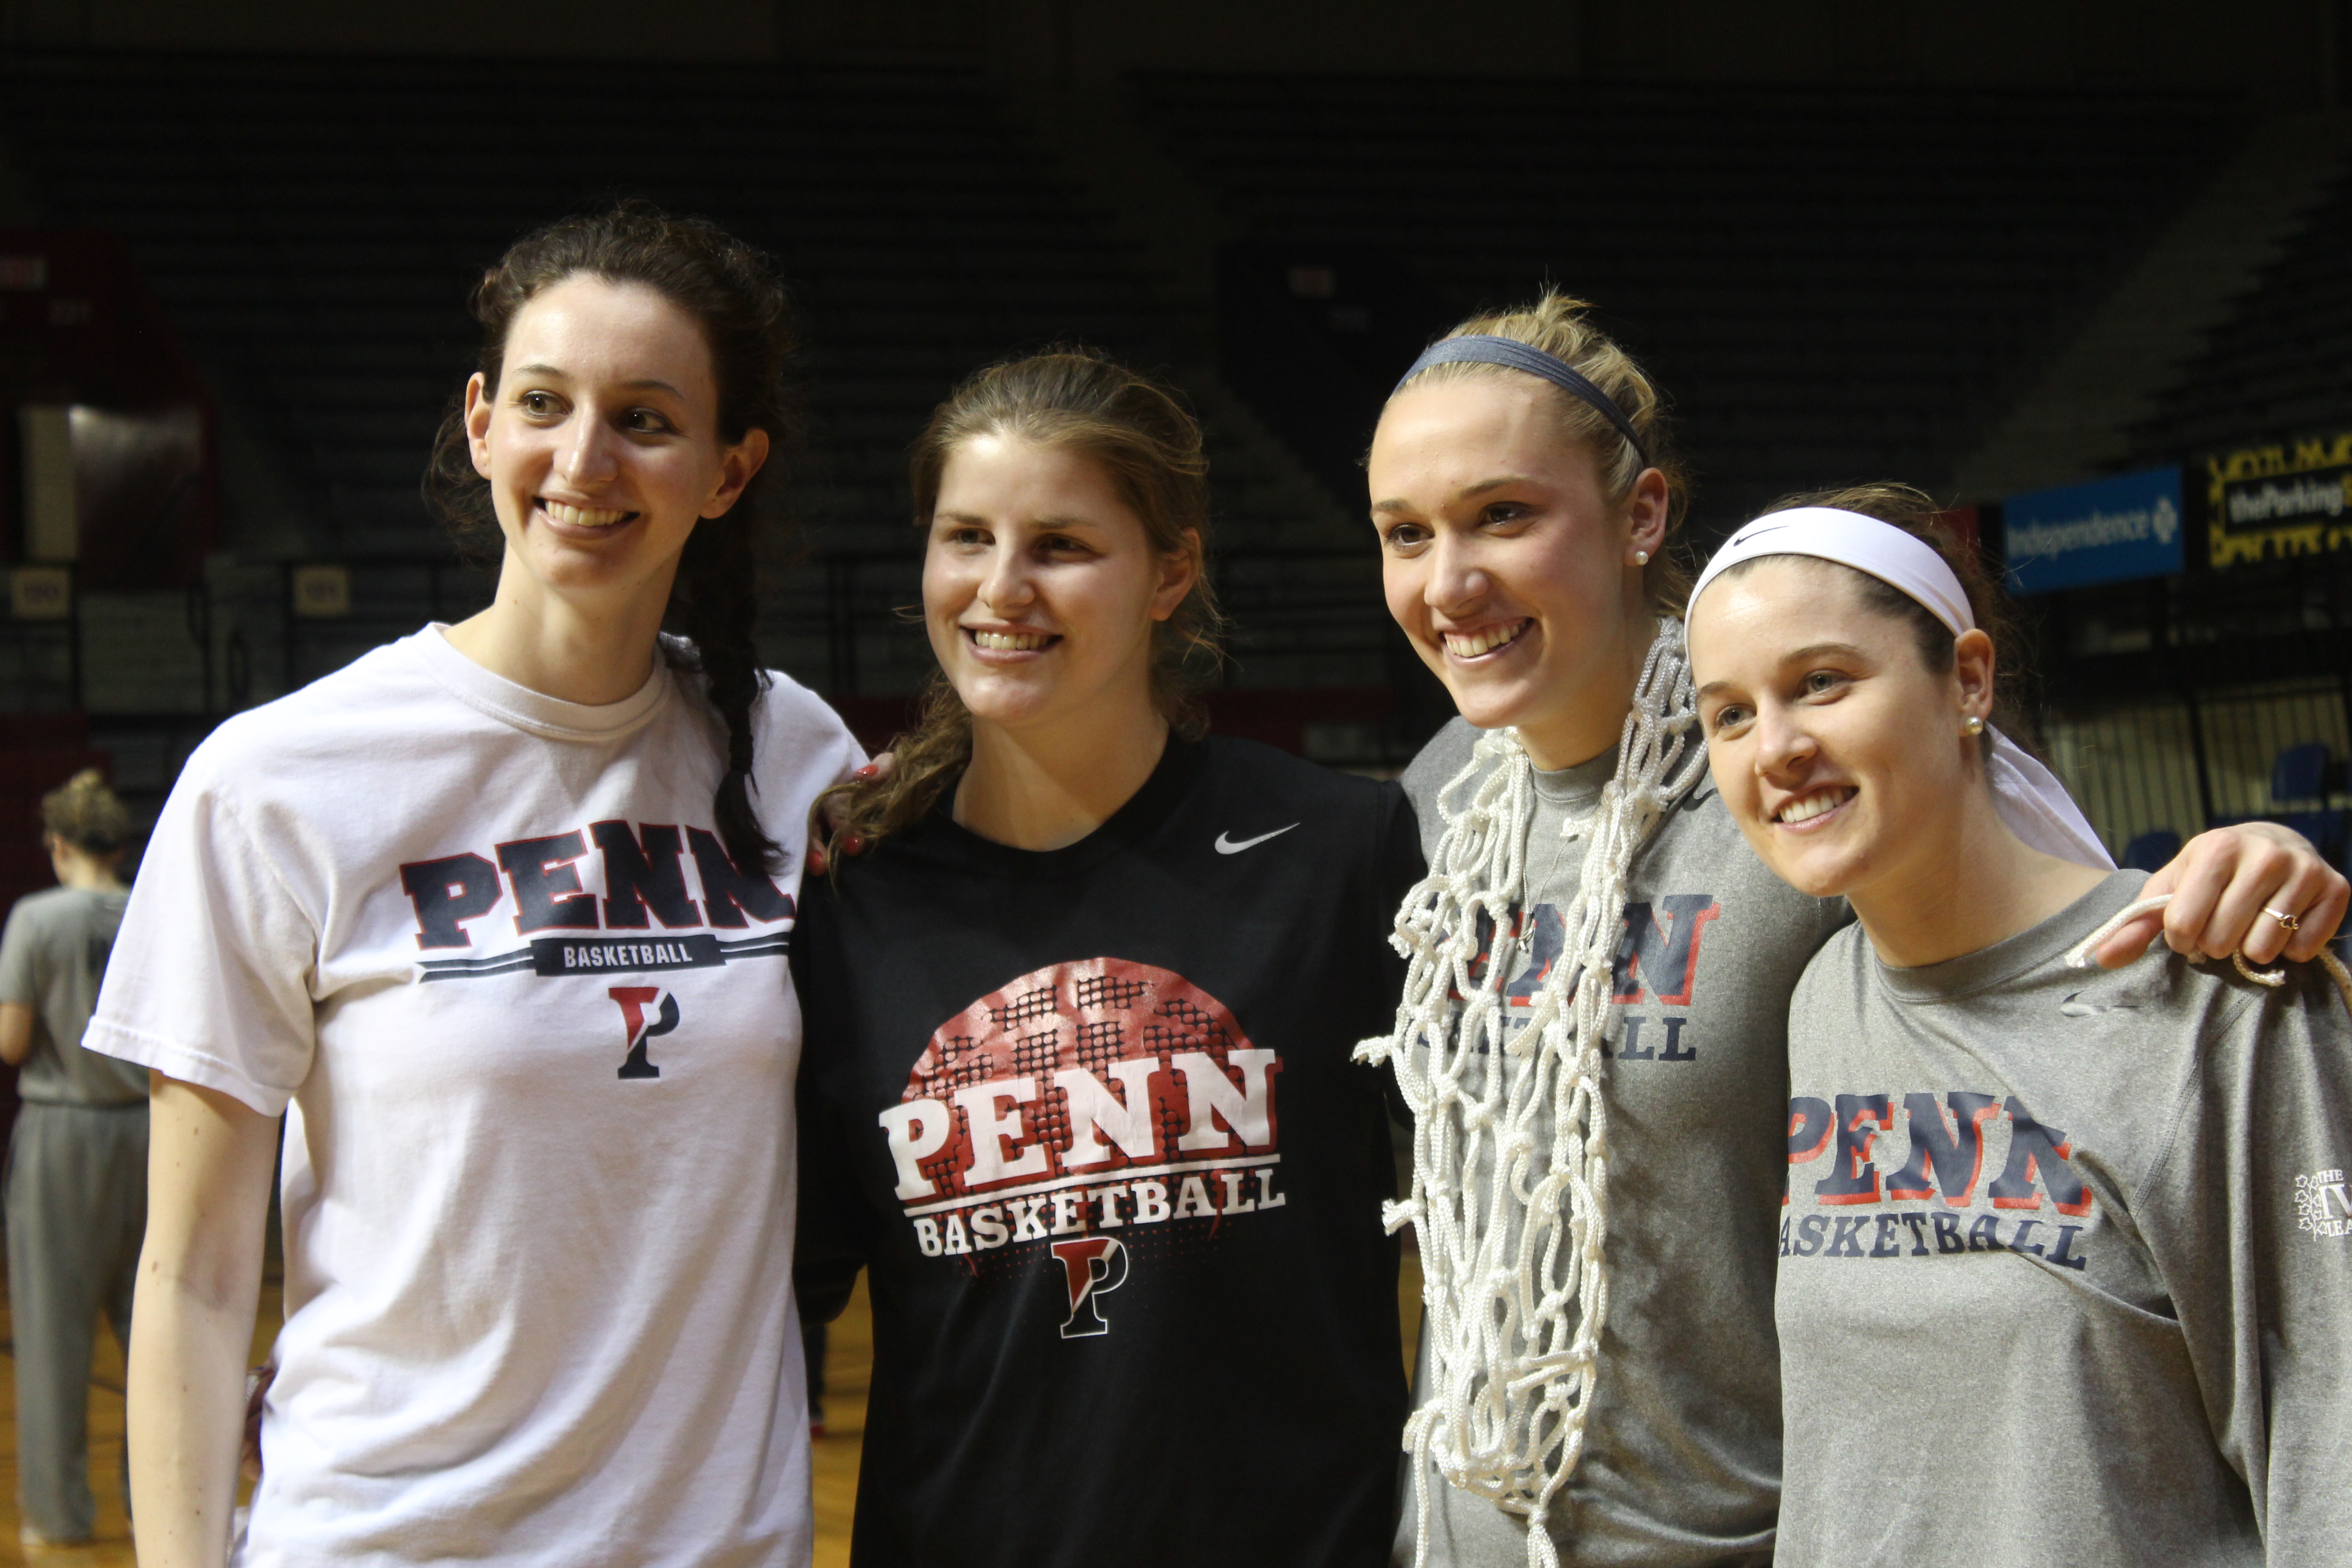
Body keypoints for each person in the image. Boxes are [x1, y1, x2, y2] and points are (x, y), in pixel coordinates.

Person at [1349, 294, 2349, 1568]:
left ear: (1640, 515)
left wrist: (2254, 869)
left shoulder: (1805, 798)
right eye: (1404, 533)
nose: (1453, 580)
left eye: (1504, 514)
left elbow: (2076, 1005)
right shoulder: (1439, 798)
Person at [85, 204, 862, 1568]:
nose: (584, 459)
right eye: (546, 404)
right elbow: (196, 1280)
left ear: (731, 471)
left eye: (646, 418)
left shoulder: (797, 755)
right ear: (483, 421)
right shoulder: (280, 781)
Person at [793, 347, 1425, 1568]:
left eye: (1062, 546)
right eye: (965, 537)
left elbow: (1487, 1225)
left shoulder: (1337, 854)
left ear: (1170, 572)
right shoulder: (853, 900)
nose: (1002, 587)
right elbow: (776, 1294)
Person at [1683, 489, 2352, 1564]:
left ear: (1971, 680)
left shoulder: (2217, 999)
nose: (1777, 747)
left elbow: (2330, 1437)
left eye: (1820, 682)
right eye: (1729, 713)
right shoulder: (1822, 1004)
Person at [0, 769, 147, 1550]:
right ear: (116, 844)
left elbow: (12, 1042)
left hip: (65, 1133)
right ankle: (154, 1503)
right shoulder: (152, 907)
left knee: (54, 1332)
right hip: (153, 1135)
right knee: (156, 1327)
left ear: (58, 845)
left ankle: (58, 1517)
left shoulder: (37, 917)